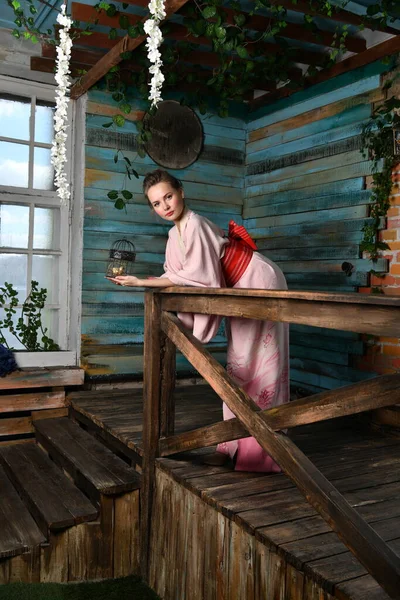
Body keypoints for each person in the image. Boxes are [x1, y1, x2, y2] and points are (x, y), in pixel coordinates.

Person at [108, 169, 289, 473]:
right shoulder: (174, 234)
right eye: (156, 203)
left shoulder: (197, 224)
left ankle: (261, 453)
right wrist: (141, 280)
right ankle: (230, 445)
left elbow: (199, 278)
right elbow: (176, 275)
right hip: (237, 286)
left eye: (168, 196)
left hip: (258, 280)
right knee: (238, 364)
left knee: (261, 363)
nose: (165, 206)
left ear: (181, 192)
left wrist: (143, 283)